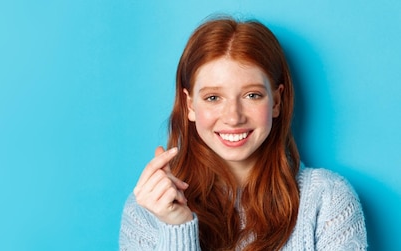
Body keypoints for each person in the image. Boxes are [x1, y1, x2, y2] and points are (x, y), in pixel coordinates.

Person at [119, 16, 367, 250]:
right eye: (213, 97)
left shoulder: (328, 199)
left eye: (252, 95)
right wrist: (177, 228)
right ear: (190, 105)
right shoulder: (147, 209)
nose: (233, 117)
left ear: (277, 102)